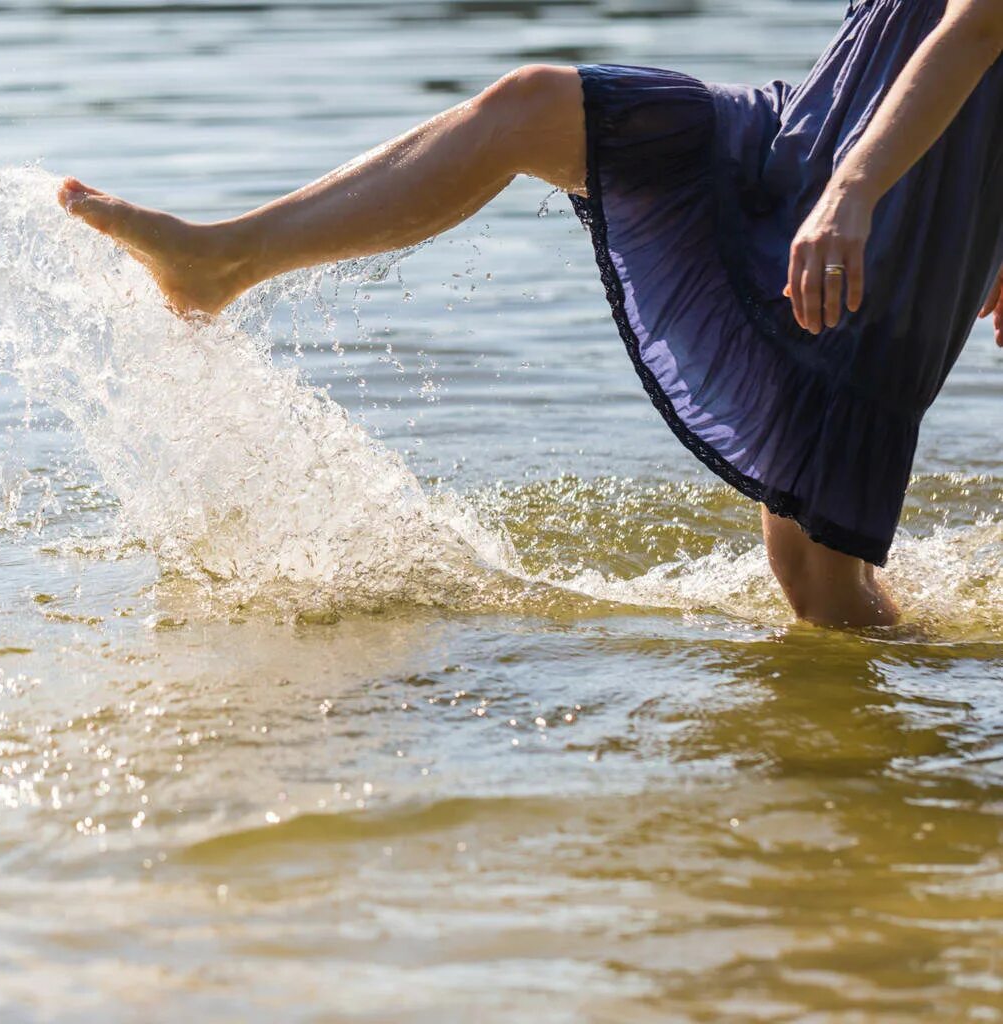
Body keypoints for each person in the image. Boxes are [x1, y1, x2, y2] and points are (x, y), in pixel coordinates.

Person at [57, 0, 1003, 629]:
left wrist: (861, 192)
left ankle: (899, 791)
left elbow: (976, 28)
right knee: (529, 106)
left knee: (817, 587)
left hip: (887, 201)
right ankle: (225, 258)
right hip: (816, 132)